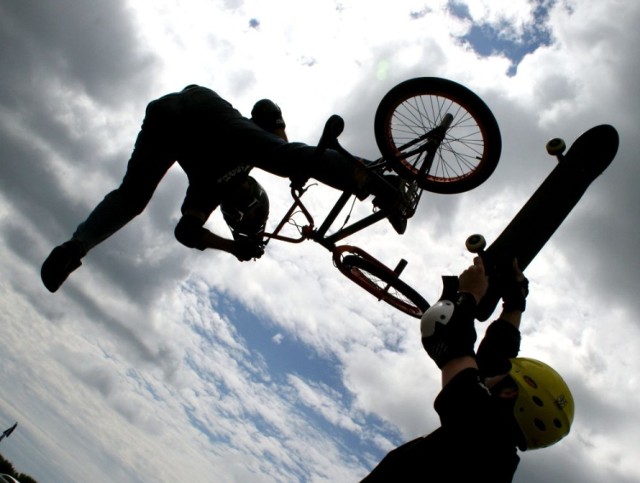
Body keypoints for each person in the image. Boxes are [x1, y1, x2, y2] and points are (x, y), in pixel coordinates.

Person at [41, 85, 408, 293]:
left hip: (166, 122)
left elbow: (185, 232)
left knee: (132, 198)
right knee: (280, 158)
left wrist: (232, 248)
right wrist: (294, 155)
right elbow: (269, 123)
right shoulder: (246, 148)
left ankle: (74, 248)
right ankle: (380, 186)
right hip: (202, 111)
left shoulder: (206, 193)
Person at [361, 258, 574, 482]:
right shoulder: (493, 457)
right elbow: (493, 357)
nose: (495, 371)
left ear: (509, 392)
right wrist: (515, 302)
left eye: (506, 372)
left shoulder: (480, 429)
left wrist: (470, 292)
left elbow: (444, 332)